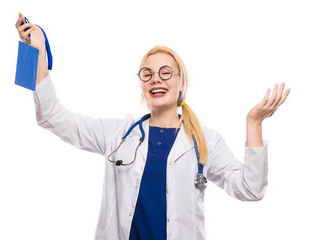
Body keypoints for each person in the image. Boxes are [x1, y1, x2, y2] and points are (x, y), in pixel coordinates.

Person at [15, 12, 290, 240]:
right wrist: (35, 55)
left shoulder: (206, 141)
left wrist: (253, 123)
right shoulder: (118, 134)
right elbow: (52, 117)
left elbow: (251, 189)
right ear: (142, 85)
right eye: (147, 74)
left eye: (166, 72)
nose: (156, 79)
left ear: (182, 84)